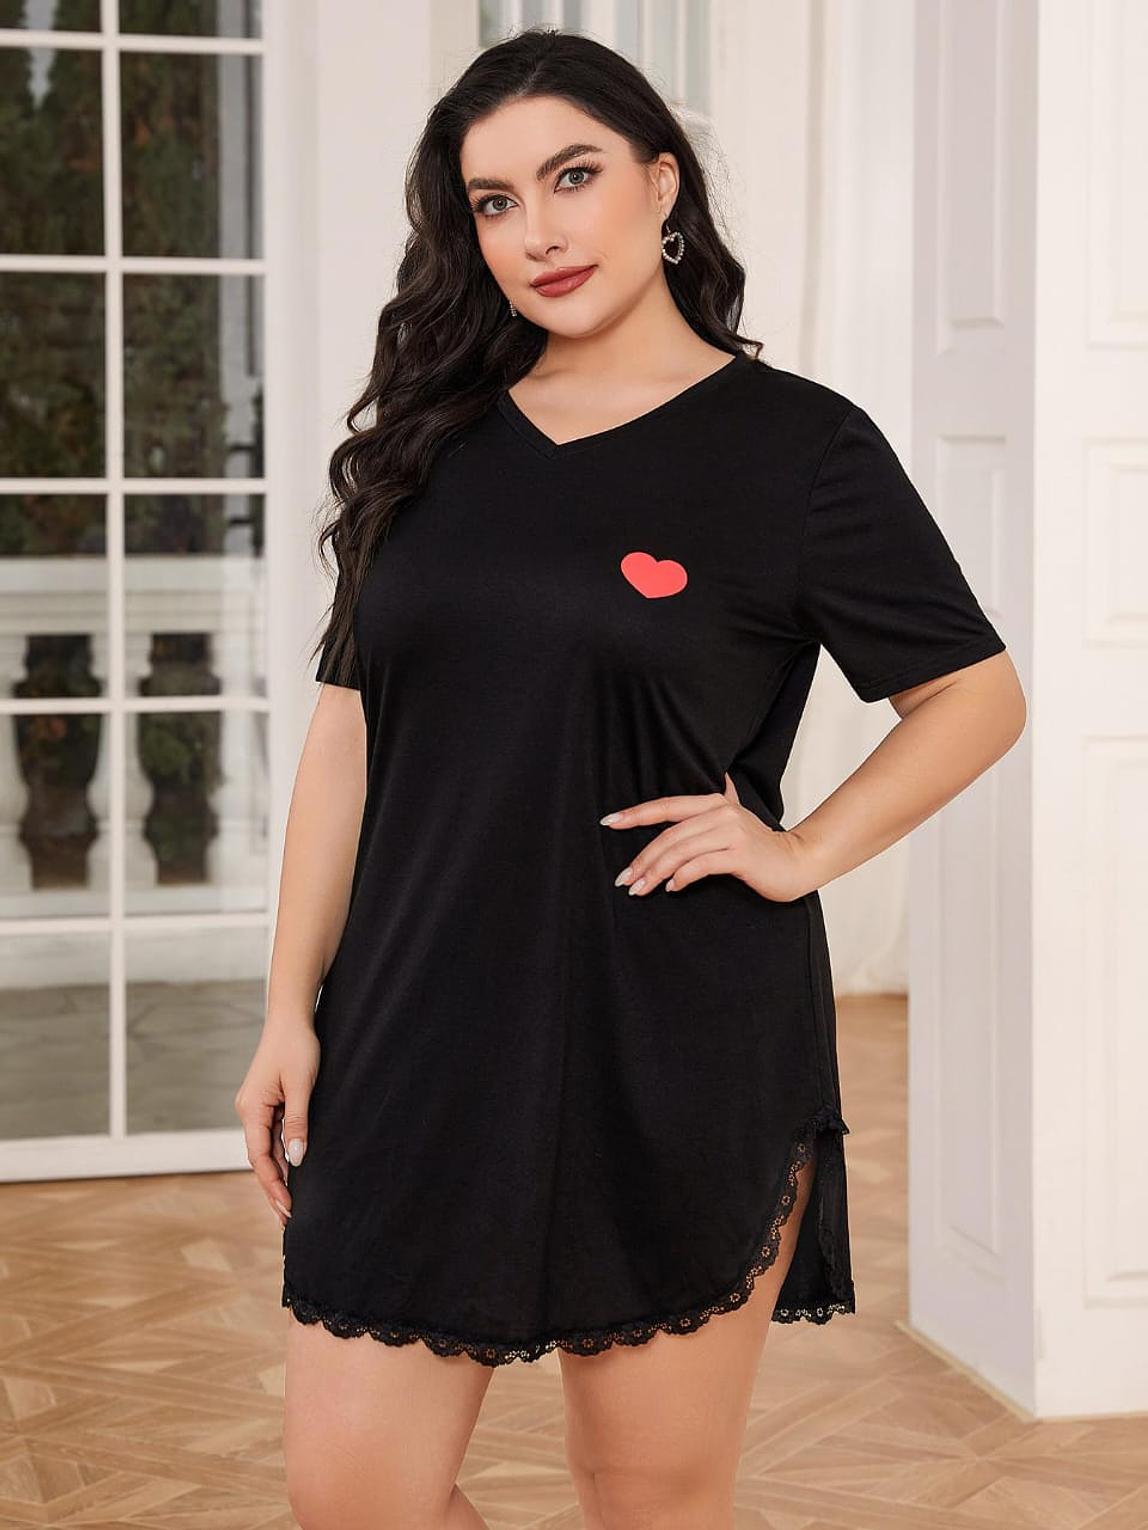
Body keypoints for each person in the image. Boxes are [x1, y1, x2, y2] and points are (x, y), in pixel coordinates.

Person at [234, 26, 1026, 1530]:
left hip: (677, 1030)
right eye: (494, 202)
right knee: (355, 1496)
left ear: (663, 184)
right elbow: (347, 735)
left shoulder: (800, 449)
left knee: (646, 1497)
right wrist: (289, 1003)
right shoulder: (431, 442)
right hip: (414, 1017)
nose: (537, 229)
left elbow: (975, 696)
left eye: (573, 176)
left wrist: (800, 849)